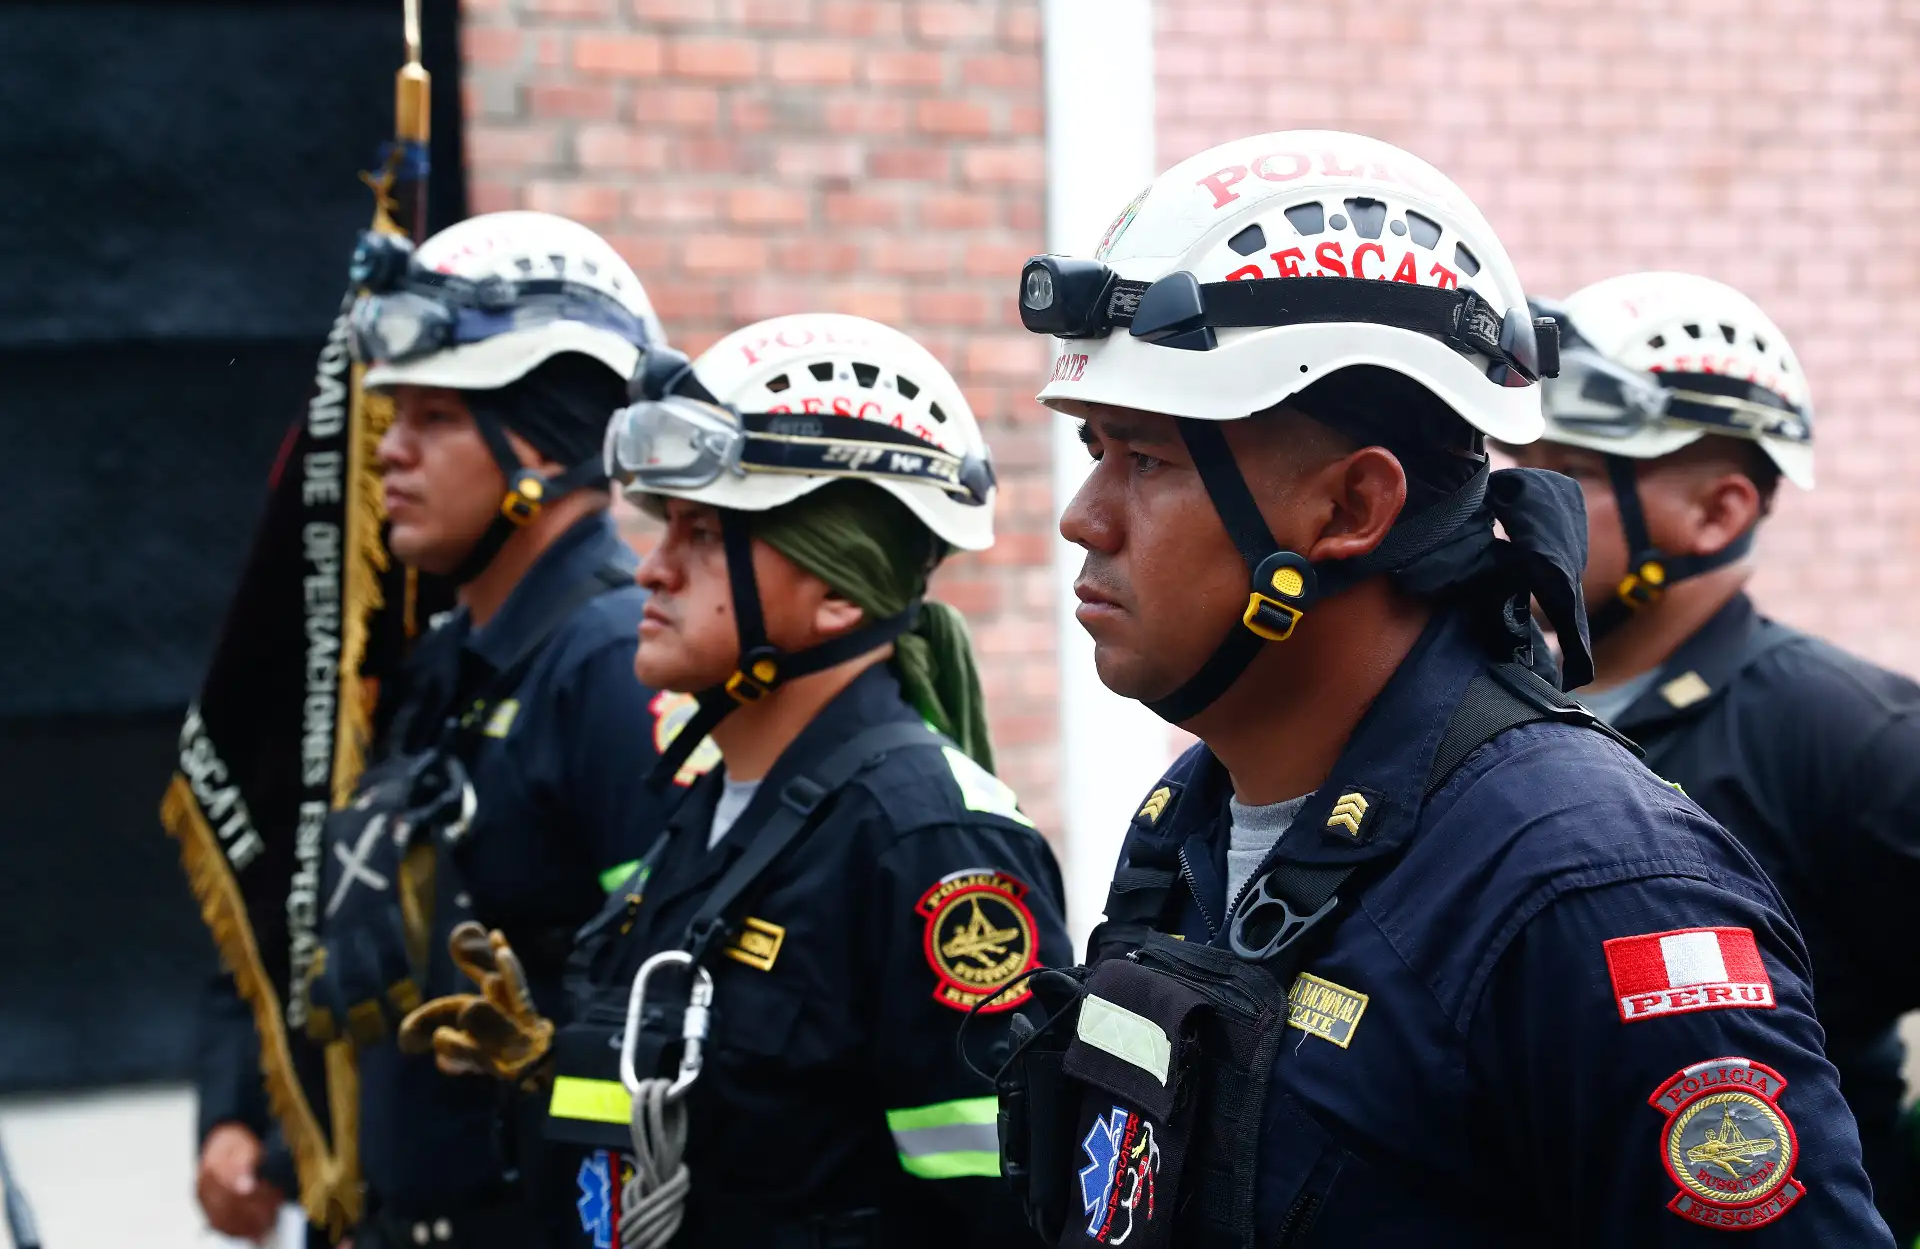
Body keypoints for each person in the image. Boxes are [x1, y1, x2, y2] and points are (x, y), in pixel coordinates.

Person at [993, 129, 1892, 1246]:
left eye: (1148, 458)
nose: (1085, 515)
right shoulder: (1192, 815)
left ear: (1351, 508)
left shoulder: (1593, 892)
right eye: (1094, 449)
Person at [402, 313, 1071, 1249]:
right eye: (666, 525)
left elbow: (1009, 1211)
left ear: (838, 589)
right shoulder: (716, 811)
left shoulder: (927, 845)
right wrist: (555, 1071)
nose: (651, 569)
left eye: (705, 534)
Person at [194, 210, 689, 1248]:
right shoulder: (442, 661)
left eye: (435, 417)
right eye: (393, 416)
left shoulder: (610, 667)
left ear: (545, 440)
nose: (392, 455)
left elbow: (667, 1009)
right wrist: (250, 1116)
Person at [1508, 272, 1920, 1242]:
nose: (1518, 499)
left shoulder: (1846, 736)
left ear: (1718, 512)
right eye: (1516, 460)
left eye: (1565, 467)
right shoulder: (1494, 709)